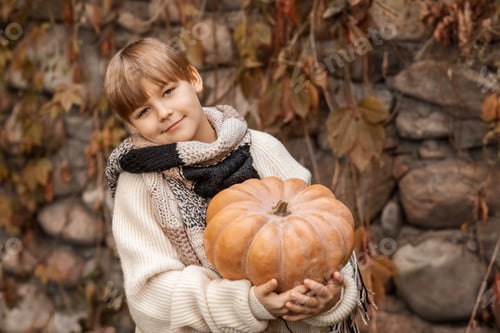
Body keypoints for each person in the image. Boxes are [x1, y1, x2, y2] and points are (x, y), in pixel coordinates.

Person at [104, 37, 369, 333]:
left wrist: (332, 296)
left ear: (194, 79)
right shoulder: (139, 186)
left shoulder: (261, 148)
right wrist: (248, 304)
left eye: (168, 92)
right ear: (132, 126)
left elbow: (320, 237)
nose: (163, 112)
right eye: (143, 111)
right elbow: (150, 299)